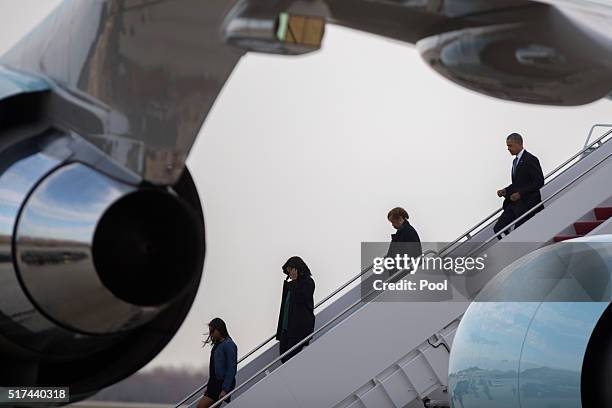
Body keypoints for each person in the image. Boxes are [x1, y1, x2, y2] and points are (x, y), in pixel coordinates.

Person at [494, 133, 544, 238]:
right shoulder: (515, 162)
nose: (508, 149)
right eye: (507, 146)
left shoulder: (530, 159)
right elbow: (518, 184)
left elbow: (539, 181)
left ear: (519, 144)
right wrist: (505, 190)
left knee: (519, 232)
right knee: (498, 228)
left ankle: (513, 248)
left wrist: (520, 194)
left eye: (510, 146)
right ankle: (509, 245)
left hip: (527, 203)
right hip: (515, 204)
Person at [276, 256, 315, 363]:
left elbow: (301, 298)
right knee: (283, 359)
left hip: (298, 329)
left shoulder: (308, 282)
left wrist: (294, 282)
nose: (289, 274)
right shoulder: (289, 285)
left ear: (297, 269)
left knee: (290, 359)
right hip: (286, 330)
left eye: (291, 271)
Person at [198, 318, 237, 408]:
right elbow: (213, 368)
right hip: (214, 383)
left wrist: (225, 389)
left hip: (221, 385)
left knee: (200, 407)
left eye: (212, 331)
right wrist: (209, 386)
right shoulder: (217, 344)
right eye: (210, 332)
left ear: (220, 329)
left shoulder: (229, 344)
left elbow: (231, 369)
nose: (211, 334)